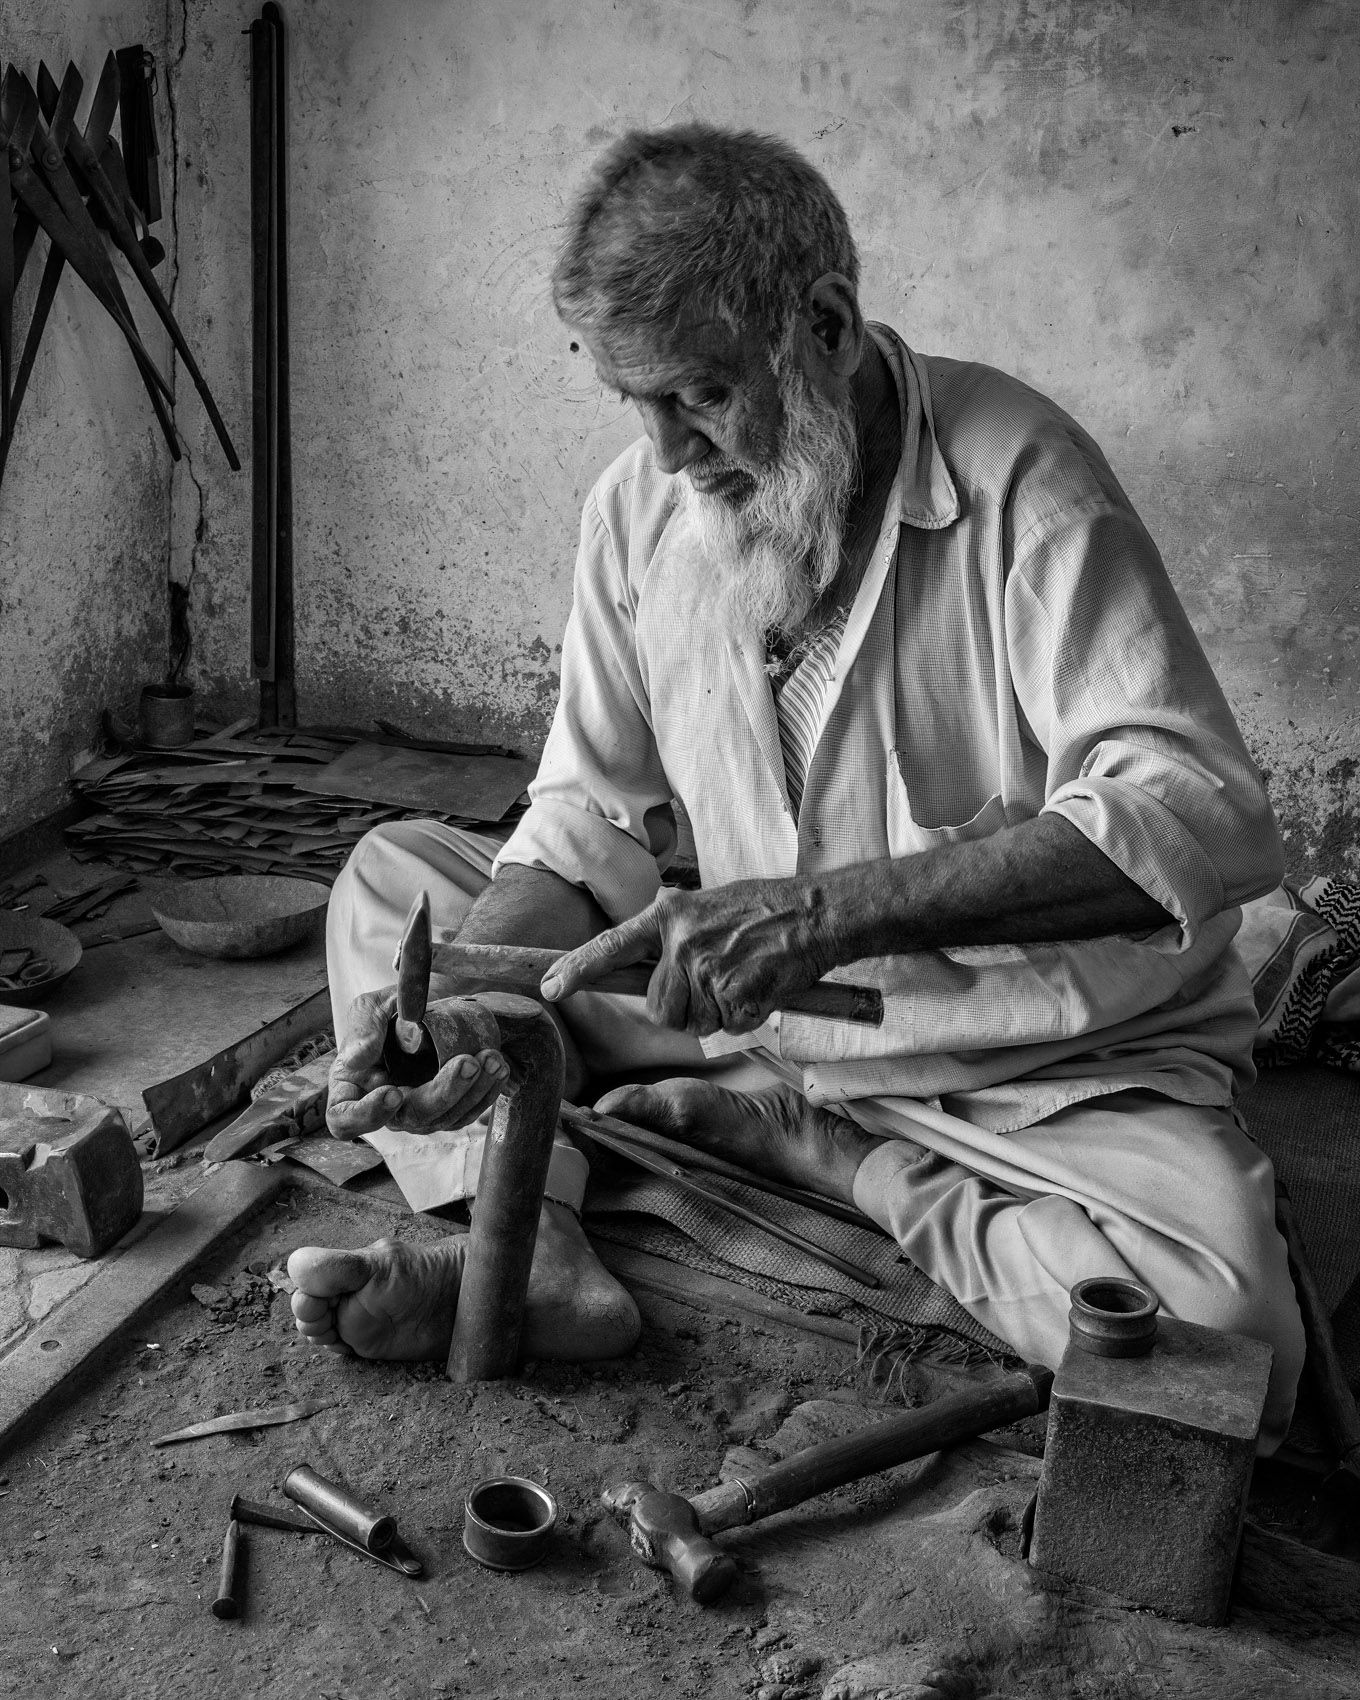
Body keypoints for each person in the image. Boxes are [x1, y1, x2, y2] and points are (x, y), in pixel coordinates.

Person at [289, 125, 1305, 1449]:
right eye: (629, 401)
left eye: (700, 395)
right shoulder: (641, 511)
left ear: (824, 326)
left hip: (1034, 1067)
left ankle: (837, 1162)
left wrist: (824, 919)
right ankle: (525, 1232)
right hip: (746, 1014)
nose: (665, 452)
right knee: (399, 885)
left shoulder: (1023, 486)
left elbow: (1197, 812)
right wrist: (469, 1007)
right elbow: (593, 818)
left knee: (1228, 1339)